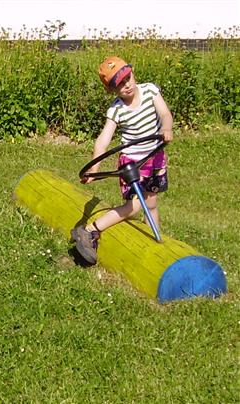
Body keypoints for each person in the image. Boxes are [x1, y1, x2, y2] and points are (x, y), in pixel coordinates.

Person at [71, 56, 173, 265]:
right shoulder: (116, 109)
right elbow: (103, 140)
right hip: (133, 164)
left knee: (151, 202)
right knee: (134, 206)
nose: (126, 85)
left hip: (154, 157)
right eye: (119, 84)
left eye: (128, 78)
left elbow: (165, 114)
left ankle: (153, 246)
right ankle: (90, 230)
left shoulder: (150, 91)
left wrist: (166, 128)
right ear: (112, 90)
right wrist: (94, 168)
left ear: (133, 73)